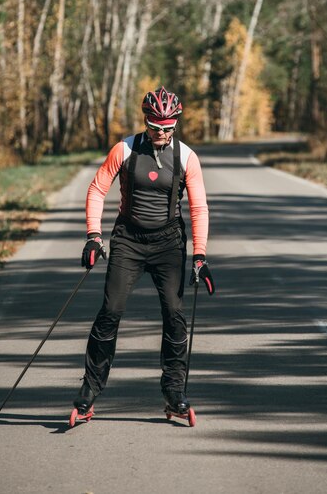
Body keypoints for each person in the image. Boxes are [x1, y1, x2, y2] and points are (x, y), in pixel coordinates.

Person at [74, 85, 214, 417]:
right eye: (155, 127)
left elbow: (199, 208)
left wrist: (200, 256)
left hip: (168, 243)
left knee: (174, 315)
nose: (161, 133)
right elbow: (97, 189)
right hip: (129, 240)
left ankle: (174, 392)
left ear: (176, 123)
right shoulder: (124, 150)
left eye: (168, 127)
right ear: (146, 121)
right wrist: (94, 236)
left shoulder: (186, 157)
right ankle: (90, 389)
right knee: (111, 312)